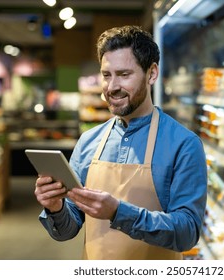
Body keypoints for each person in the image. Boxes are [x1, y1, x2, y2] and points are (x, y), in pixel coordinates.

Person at [34, 25, 207, 260]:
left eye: (124, 74)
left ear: (152, 73)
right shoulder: (88, 142)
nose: (112, 87)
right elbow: (68, 229)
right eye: (107, 75)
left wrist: (118, 212)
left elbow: (187, 232)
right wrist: (55, 207)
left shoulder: (183, 145)